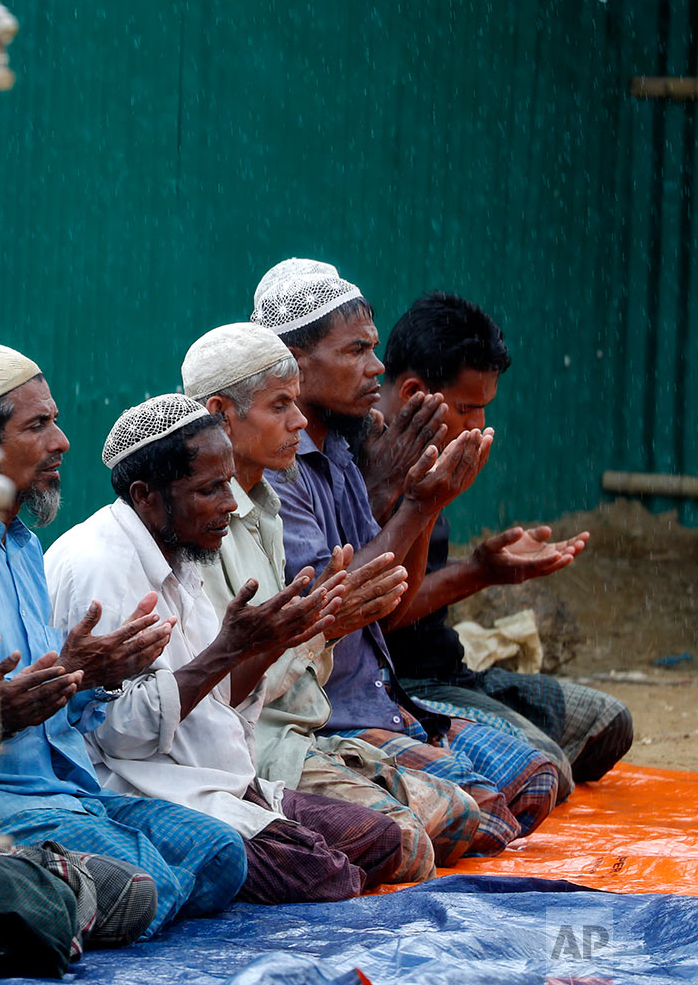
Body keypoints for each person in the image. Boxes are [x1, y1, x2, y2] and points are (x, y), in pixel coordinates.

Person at [250, 259, 559, 855]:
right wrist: (418, 503)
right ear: (292, 360)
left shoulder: (345, 442)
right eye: (356, 352)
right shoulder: (277, 470)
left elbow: (386, 611)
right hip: (330, 716)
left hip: (386, 698)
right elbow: (337, 606)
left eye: (373, 348)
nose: (376, 367)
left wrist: (426, 498)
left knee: (535, 780)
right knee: (486, 817)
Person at [43, 393, 403, 902]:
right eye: (210, 489)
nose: (230, 505)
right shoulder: (96, 566)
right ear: (146, 495)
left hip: (223, 777)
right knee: (327, 874)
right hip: (150, 789)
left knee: (382, 841)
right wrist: (228, 650)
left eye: (228, 486)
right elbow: (122, 735)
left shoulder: (182, 551)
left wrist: (281, 638)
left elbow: (217, 699)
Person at [0, 343, 247, 938]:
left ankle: (65, 899)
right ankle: (32, 893)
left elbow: (62, 705)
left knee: (222, 856)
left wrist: (89, 675)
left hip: (69, 793)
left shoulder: (23, 548)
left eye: (55, 421)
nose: (62, 441)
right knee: (152, 881)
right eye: (37, 425)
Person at [183, 322, 483, 880]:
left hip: (301, 731)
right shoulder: (200, 524)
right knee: (410, 847)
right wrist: (317, 625)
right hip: (256, 748)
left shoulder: (266, 504)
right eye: (280, 407)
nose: (299, 423)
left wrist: (322, 623)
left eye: (296, 405)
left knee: (466, 817)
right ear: (222, 413)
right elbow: (216, 691)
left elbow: (365, 618)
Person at [371, 292, 633, 788]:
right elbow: (384, 616)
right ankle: (468, 760)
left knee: (609, 722)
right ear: (411, 393)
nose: (479, 425)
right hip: (397, 685)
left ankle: (483, 754)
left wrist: (485, 568)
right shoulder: (367, 466)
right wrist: (476, 569)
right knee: (543, 767)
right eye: (469, 408)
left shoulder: (434, 449)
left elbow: (416, 586)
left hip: (450, 672)